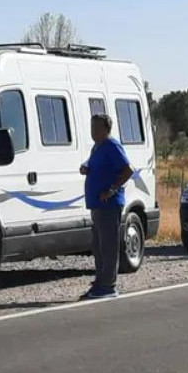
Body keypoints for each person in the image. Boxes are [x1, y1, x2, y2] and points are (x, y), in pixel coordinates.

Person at [79, 114, 133, 299]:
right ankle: (100, 280)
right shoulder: (97, 147)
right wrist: (85, 168)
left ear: (106, 129)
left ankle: (109, 285)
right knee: (98, 244)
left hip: (109, 204)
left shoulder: (112, 146)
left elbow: (128, 170)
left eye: (96, 128)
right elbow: (94, 165)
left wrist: (111, 189)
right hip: (96, 204)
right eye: (91, 127)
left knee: (108, 245)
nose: (93, 131)